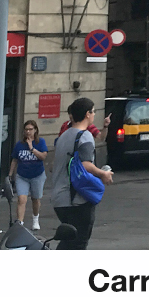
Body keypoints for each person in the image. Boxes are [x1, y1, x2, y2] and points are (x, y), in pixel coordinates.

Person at [46, 97, 113, 249]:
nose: (94, 115)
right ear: (87, 114)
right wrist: (103, 174)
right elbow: (86, 164)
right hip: (76, 199)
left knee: (69, 242)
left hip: (60, 199)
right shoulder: (84, 136)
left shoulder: (64, 135)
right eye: (94, 112)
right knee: (78, 242)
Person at [7, 120, 47, 231]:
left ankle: (35, 219)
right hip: (22, 175)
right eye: (26, 129)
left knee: (36, 199)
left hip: (37, 175)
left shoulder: (41, 142)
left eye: (30, 129)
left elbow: (43, 156)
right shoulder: (19, 145)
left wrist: (32, 148)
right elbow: (15, 160)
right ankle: (20, 222)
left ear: (35, 130)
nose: (28, 132)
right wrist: (10, 174)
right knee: (21, 199)